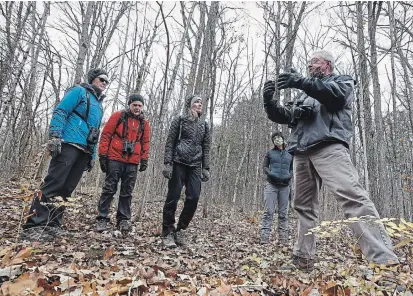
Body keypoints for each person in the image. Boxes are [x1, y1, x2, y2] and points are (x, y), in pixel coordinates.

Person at [262, 50, 399, 271]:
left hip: (330, 147)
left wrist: (301, 82)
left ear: (328, 64)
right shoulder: (304, 94)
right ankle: (303, 259)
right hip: (301, 152)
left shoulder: (342, 81)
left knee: (353, 197)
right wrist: (269, 102)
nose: (310, 65)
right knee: (303, 207)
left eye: (314, 61)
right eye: (309, 62)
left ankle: (384, 260)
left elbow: (334, 98)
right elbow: (286, 115)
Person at [21, 68, 109, 241]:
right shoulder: (78, 91)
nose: (105, 83)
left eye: (107, 81)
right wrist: (54, 136)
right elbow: (61, 111)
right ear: (93, 79)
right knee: (54, 182)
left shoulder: (99, 105)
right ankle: (34, 225)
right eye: (102, 79)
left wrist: (91, 157)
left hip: (84, 150)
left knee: (67, 188)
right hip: (68, 143)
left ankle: (53, 224)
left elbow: (95, 133)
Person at [95, 94, 150, 235]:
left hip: (132, 162)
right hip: (114, 157)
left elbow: (145, 143)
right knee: (109, 188)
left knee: (127, 191)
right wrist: (103, 155)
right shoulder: (118, 116)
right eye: (134, 105)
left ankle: (123, 219)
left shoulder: (144, 124)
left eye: (139, 105)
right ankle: (102, 218)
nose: (137, 108)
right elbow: (106, 135)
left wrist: (144, 159)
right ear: (129, 105)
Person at [161, 95, 211, 248]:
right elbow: (170, 141)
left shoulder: (205, 125)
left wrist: (206, 168)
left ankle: (181, 229)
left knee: (193, 197)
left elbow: (206, 147)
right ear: (190, 105)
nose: (199, 104)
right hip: (178, 162)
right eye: (196, 102)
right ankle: (168, 231)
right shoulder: (180, 120)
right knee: (173, 197)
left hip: (195, 165)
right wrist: (168, 163)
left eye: (201, 103)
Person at [260, 131, 293, 245]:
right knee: (268, 211)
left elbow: (293, 168)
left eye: (278, 137)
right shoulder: (270, 153)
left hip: (285, 186)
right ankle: (264, 238)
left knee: (283, 213)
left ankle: (283, 239)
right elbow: (264, 167)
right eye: (274, 138)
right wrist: (270, 173)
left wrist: (289, 175)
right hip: (271, 185)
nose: (277, 139)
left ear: (283, 139)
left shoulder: (290, 154)